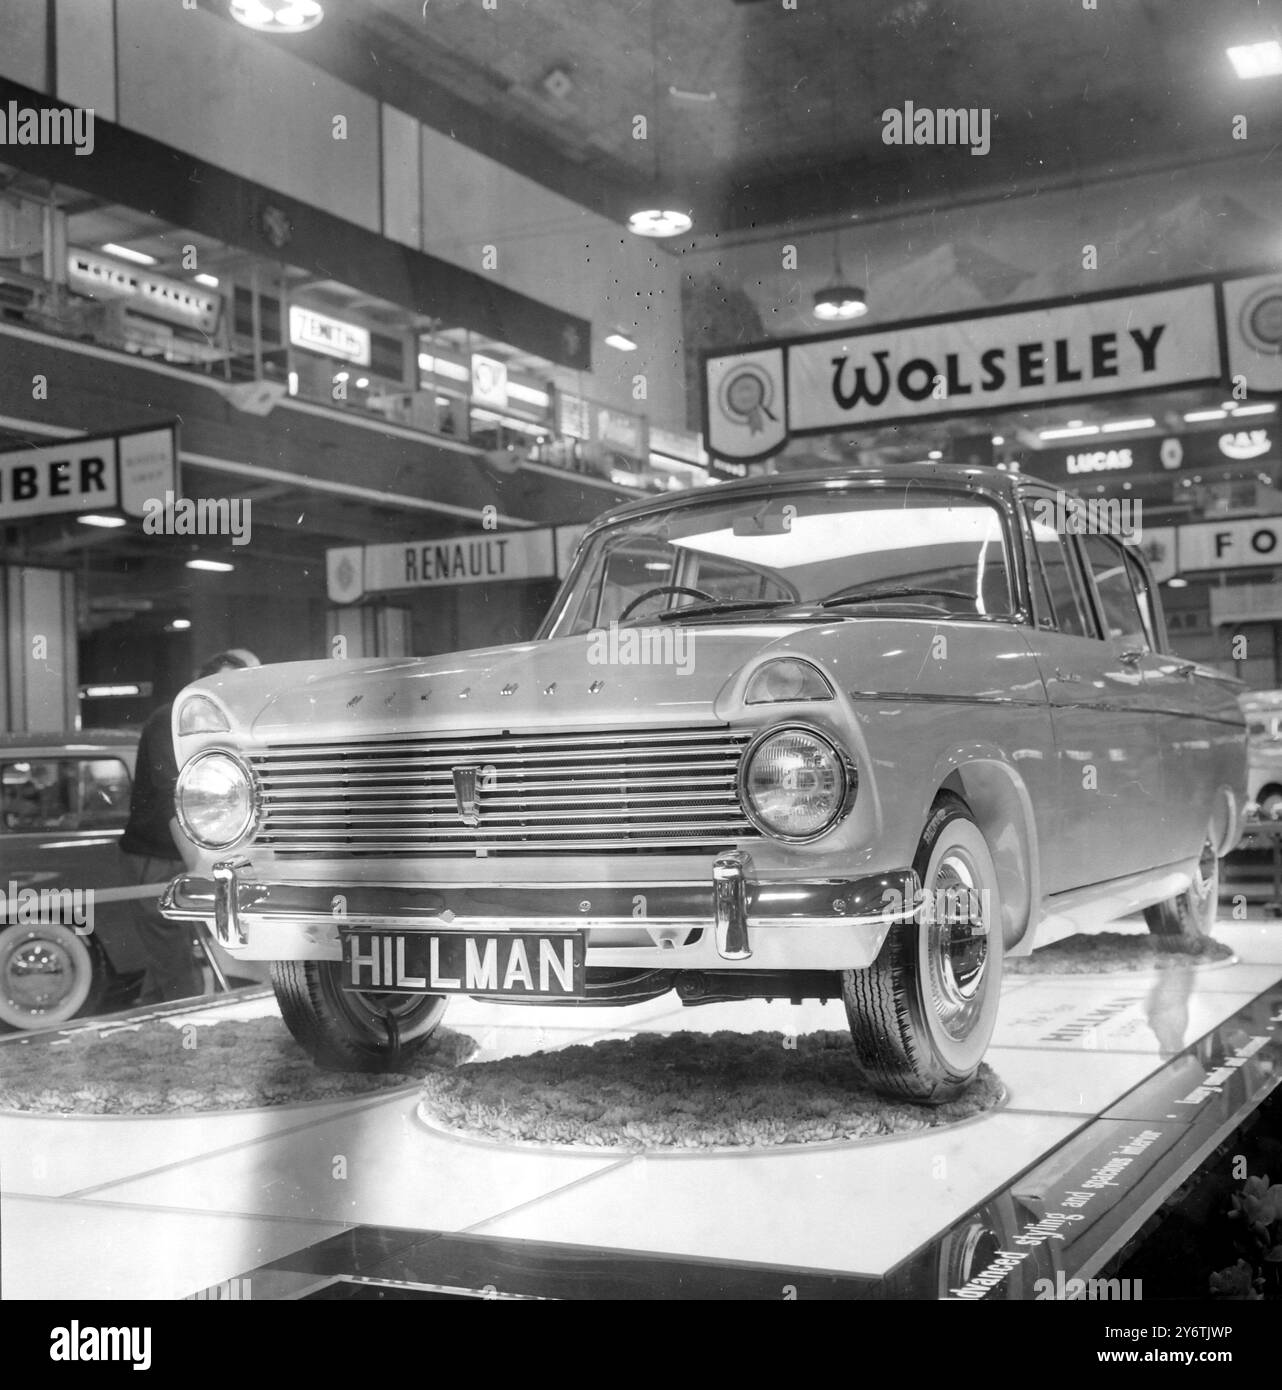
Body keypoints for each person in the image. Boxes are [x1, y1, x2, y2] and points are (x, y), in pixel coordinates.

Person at [121, 648, 260, 1004]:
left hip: (183, 852)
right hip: (161, 856)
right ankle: (191, 1024)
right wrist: (198, 865)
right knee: (175, 961)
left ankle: (155, 1017)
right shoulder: (170, 721)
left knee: (166, 956)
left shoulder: (218, 723)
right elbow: (175, 797)